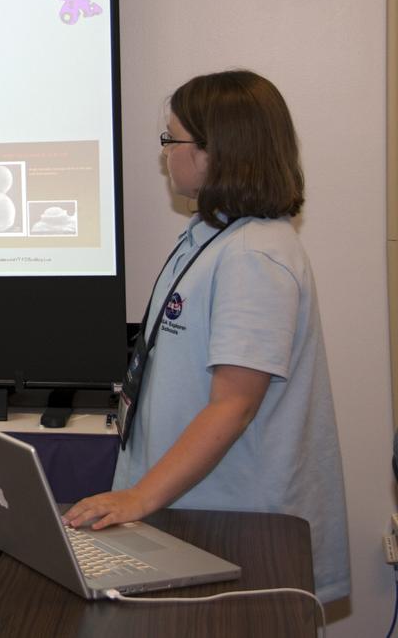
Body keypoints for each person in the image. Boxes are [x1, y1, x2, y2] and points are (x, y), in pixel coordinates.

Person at [62, 69, 350, 602]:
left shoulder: (254, 256)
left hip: (242, 524)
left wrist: (139, 498)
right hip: (194, 510)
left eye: (172, 139)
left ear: (216, 151)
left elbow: (234, 405)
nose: (164, 153)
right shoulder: (209, 239)